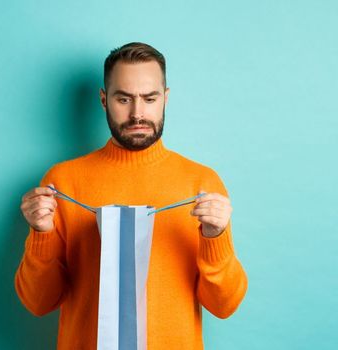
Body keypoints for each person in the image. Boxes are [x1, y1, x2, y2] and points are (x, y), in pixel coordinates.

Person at [15, 42, 247, 349]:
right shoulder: (62, 183)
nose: (137, 113)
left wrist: (215, 237)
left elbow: (224, 305)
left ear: (165, 98)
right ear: (104, 100)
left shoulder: (200, 182)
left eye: (149, 98)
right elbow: (38, 303)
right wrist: (41, 234)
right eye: (123, 98)